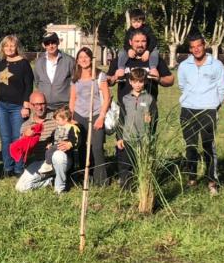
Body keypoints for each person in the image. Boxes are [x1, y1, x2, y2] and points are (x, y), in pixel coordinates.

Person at [177, 32, 224, 195]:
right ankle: (191, 178)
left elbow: (223, 88)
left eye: (199, 46)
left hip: (208, 110)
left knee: (208, 146)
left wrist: (214, 105)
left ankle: (212, 181)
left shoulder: (216, 65)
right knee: (190, 145)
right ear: (190, 49)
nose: (196, 49)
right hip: (188, 110)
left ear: (204, 45)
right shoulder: (184, 66)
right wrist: (190, 100)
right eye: (193, 47)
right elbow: (182, 86)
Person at [107, 29, 174, 122]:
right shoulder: (121, 60)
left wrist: (159, 79)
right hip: (124, 110)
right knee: (122, 137)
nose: (140, 44)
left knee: (147, 136)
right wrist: (114, 77)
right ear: (130, 42)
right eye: (137, 41)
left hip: (147, 111)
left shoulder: (154, 59)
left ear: (147, 43)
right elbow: (107, 81)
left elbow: (170, 80)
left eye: (143, 41)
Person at [68, 47, 111, 185]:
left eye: (86, 57)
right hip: (79, 115)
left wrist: (101, 117)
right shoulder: (75, 77)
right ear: (77, 60)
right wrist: (72, 117)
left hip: (96, 114)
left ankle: (101, 180)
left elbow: (107, 97)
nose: (84, 60)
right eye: (81, 57)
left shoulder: (99, 76)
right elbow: (72, 99)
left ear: (91, 59)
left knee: (97, 147)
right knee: (81, 147)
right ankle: (85, 176)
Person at [14, 92, 72, 194]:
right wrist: (25, 137)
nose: (40, 107)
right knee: (21, 188)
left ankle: (60, 189)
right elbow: (21, 153)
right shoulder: (25, 126)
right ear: (31, 105)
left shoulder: (56, 117)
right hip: (40, 163)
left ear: (46, 103)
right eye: (36, 104)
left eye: (42, 104)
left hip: (60, 159)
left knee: (58, 156)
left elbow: (72, 130)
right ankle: (51, 181)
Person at [0, 35, 34, 178]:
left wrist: (26, 106)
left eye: (12, 45)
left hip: (18, 106)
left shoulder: (24, 64)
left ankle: (18, 168)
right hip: (1, 106)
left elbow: (29, 86)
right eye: (6, 46)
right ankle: (7, 167)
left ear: (17, 47)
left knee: (17, 138)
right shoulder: (1, 63)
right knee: (5, 138)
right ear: (3, 48)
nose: (9, 48)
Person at [115, 68, 154, 189]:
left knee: (141, 163)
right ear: (130, 82)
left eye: (141, 82)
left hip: (143, 138)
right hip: (127, 137)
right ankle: (126, 187)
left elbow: (154, 118)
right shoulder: (125, 99)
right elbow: (120, 119)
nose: (138, 84)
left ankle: (141, 187)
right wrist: (119, 137)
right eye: (135, 81)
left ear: (145, 82)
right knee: (126, 164)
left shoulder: (149, 99)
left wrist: (150, 120)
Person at [33, 32, 75, 112]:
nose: (50, 46)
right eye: (47, 44)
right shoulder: (38, 62)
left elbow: (75, 83)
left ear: (58, 42)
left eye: (53, 42)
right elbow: (37, 82)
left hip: (64, 107)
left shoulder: (69, 61)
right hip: (45, 107)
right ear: (43, 45)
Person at [116, 9, 160, 79]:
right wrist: (129, 50)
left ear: (143, 21)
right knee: (122, 52)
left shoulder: (147, 29)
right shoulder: (130, 30)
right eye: (133, 22)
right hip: (134, 50)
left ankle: (153, 69)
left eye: (138, 22)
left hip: (147, 49)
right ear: (130, 21)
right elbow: (125, 43)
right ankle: (121, 69)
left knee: (155, 51)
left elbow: (153, 41)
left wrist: (148, 51)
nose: (136, 24)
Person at [38, 106, 79, 178]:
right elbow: (53, 138)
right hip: (57, 145)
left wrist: (70, 144)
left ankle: (48, 164)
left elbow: (75, 138)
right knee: (49, 150)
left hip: (66, 149)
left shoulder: (72, 127)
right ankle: (49, 166)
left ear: (65, 119)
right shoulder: (57, 129)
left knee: (51, 151)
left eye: (58, 120)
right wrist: (50, 143)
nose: (56, 122)